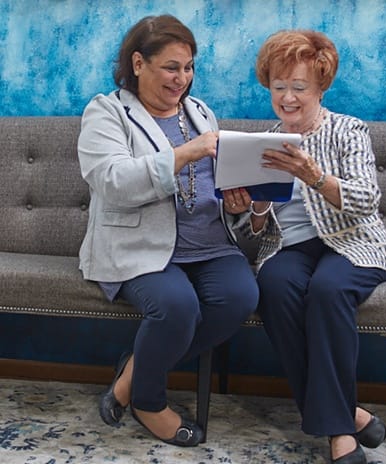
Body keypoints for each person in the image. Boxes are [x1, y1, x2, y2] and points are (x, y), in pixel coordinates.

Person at [77, 15, 258, 447]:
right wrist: (185, 153)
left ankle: (133, 373)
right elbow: (112, 181)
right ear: (138, 63)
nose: (183, 79)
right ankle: (149, 402)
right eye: (171, 67)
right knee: (177, 308)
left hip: (210, 245)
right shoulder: (107, 111)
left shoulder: (199, 112)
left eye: (189, 67)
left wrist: (238, 203)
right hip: (142, 247)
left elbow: (213, 184)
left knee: (241, 297)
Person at [224, 30, 386, 463]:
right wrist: (256, 207)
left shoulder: (348, 131)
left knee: (328, 289)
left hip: (353, 244)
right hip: (292, 250)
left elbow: (366, 202)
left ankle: (340, 433)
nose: (287, 98)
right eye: (279, 87)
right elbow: (253, 236)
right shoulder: (261, 143)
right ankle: (351, 415)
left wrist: (313, 174)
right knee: (276, 286)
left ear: (320, 87)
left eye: (298, 88)